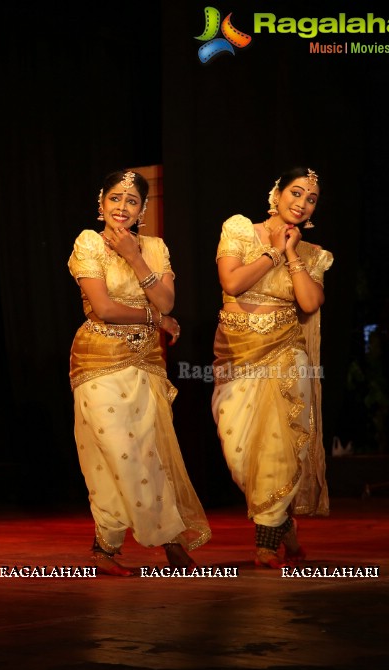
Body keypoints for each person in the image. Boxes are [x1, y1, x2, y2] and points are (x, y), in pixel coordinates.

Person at [68, 170, 211, 576]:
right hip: (96, 360)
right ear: (102, 202)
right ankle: (167, 537)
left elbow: (167, 301)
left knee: (147, 452)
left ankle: (105, 548)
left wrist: (134, 255)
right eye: (115, 198)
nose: (122, 207)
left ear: (143, 209)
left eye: (132, 201)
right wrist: (155, 318)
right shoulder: (88, 242)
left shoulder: (154, 248)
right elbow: (104, 308)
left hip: (145, 362)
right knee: (114, 452)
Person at [212, 167, 332, 568]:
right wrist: (274, 251)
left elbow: (310, 303)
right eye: (295, 193)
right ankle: (285, 526)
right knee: (240, 450)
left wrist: (294, 254)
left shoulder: (312, 253)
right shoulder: (240, 229)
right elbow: (232, 283)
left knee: (279, 448)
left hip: (285, 354)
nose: (301, 202)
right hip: (236, 354)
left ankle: (266, 542)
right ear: (276, 193)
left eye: (310, 198)